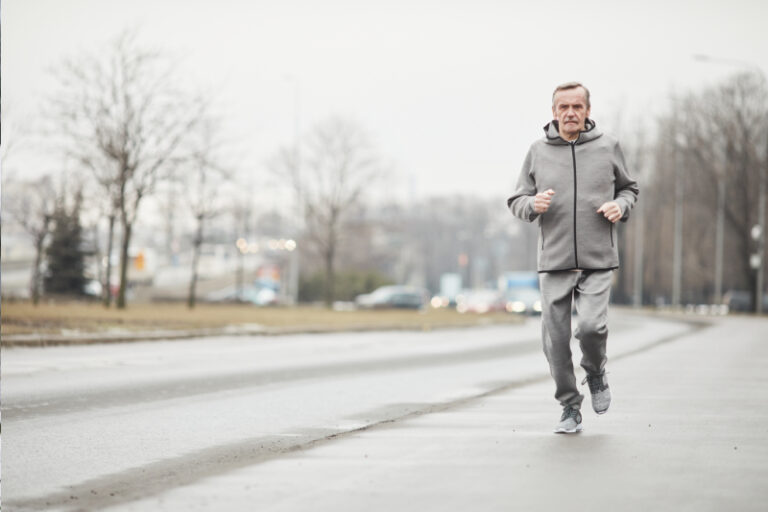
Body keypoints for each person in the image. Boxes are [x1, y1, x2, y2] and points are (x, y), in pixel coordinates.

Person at [507, 82, 639, 434]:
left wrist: (620, 205)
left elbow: (630, 188)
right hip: (554, 261)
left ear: (587, 111)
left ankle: (595, 374)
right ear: (554, 112)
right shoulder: (537, 151)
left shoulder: (608, 147)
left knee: (591, 328)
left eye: (577, 107)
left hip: (597, 259)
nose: (570, 113)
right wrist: (531, 205)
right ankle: (569, 406)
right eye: (563, 107)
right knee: (555, 340)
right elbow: (516, 199)